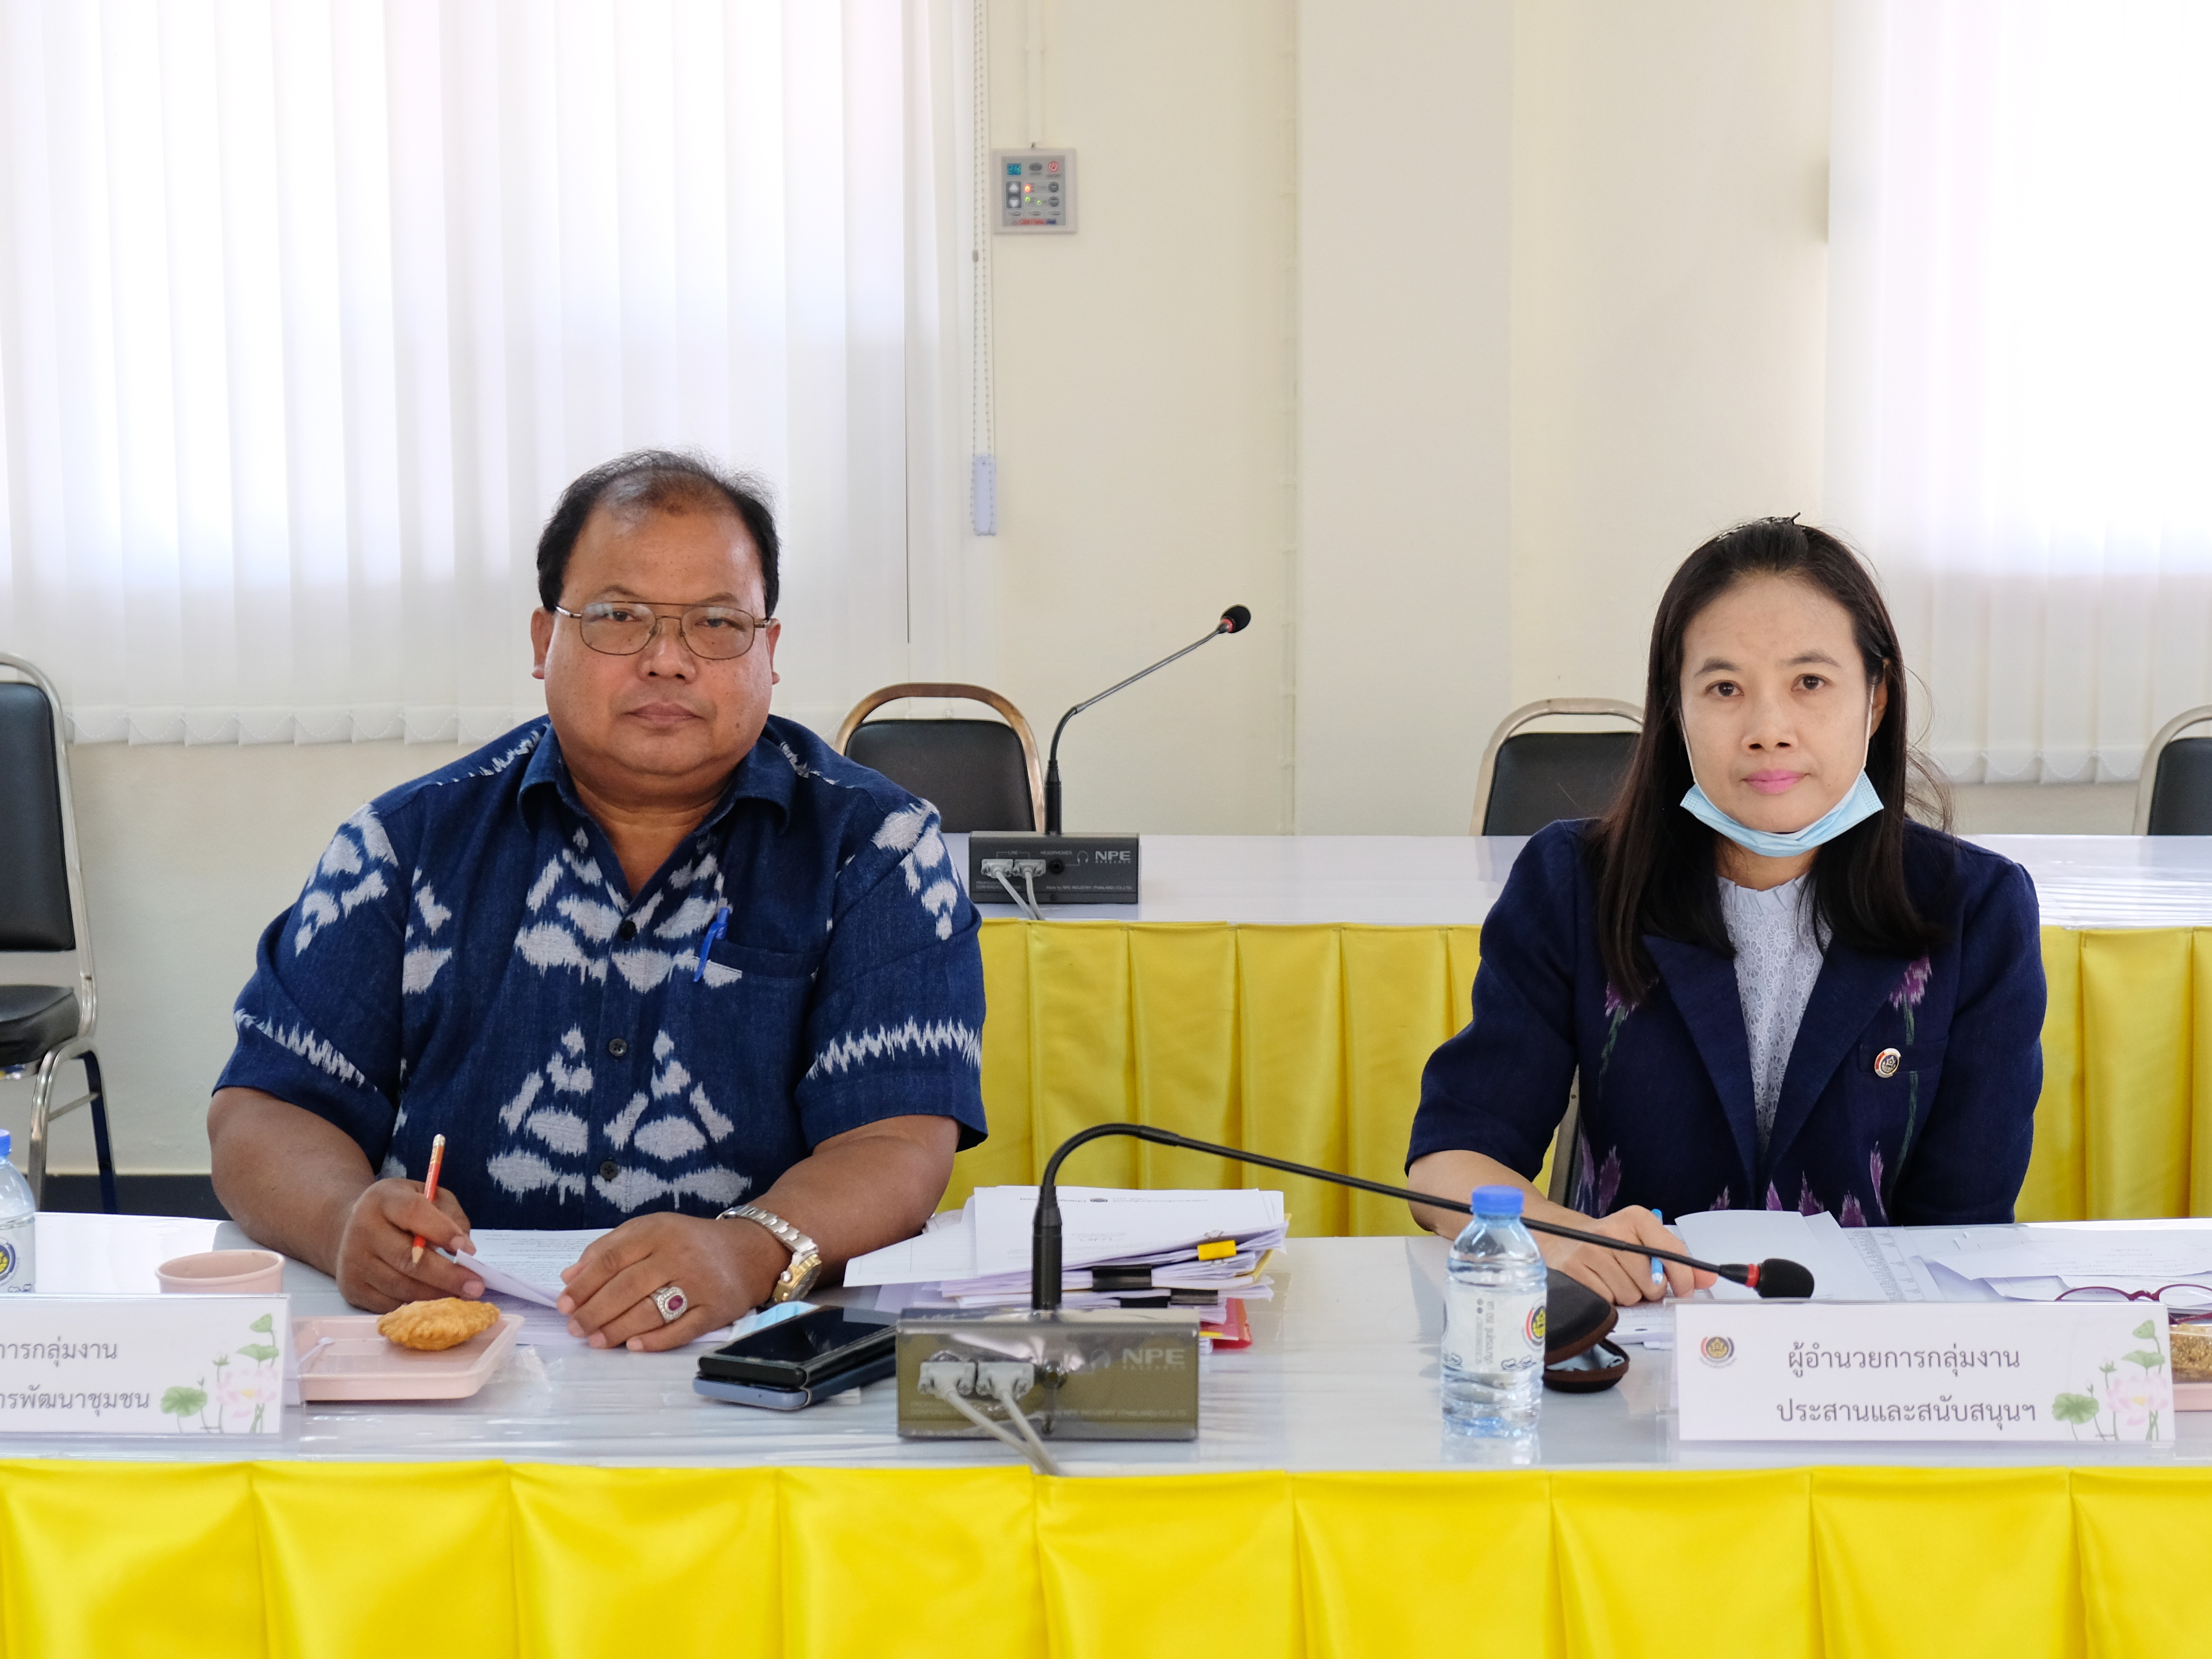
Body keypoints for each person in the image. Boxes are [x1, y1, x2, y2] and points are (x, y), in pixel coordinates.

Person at [207, 450, 986, 1350]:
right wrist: (344, 1221)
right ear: (546, 642)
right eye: (619, 617)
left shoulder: (880, 848)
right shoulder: (405, 843)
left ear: (768, 652)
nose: (667, 661)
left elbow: (896, 1143)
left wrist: (749, 1251)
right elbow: (266, 1108)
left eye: (716, 624)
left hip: (758, 1345)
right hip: (463, 1349)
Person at [1406, 518, 2044, 1305]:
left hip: (1871, 1367)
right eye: (1724, 688)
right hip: (1638, 1345)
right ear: (1675, 710)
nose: (1768, 731)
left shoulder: (1972, 909)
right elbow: (1452, 1159)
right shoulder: (1576, 881)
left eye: (1810, 683)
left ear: (1875, 700)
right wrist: (1553, 1236)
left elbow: (1966, 1227)